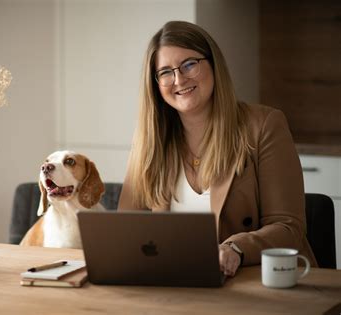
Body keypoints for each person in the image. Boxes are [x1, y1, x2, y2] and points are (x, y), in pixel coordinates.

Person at [117, 21, 317, 277]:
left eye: (189, 64)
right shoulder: (149, 139)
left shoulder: (264, 125)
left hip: (257, 283)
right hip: (176, 282)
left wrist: (236, 248)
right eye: (165, 72)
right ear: (155, 84)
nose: (179, 79)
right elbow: (124, 228)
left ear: (213, 64)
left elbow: (288, 227)